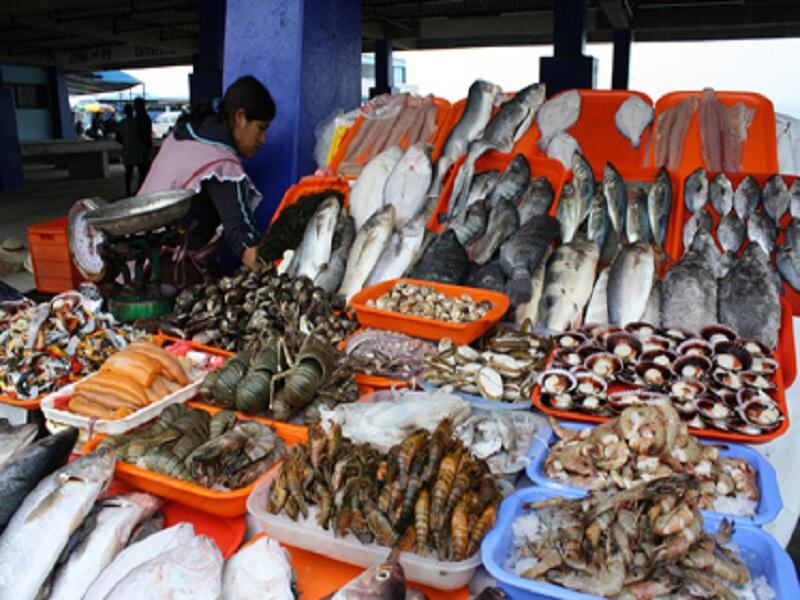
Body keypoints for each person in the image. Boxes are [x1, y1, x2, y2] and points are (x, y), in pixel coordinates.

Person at [138, 75, 274, 282]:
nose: (262, 140)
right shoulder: (220, 162)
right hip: (168, 273)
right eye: (261, 128)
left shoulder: (185, 134)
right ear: (240, 117)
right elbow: (241, 234)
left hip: (139, 262)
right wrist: (277, 276)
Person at [116, 104, 147, 197]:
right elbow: (142, 136)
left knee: (128, 172)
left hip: (127, 149)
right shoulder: (136, 122)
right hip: (137, 148)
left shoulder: (121, 123)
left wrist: (125, 141)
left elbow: (118, 138)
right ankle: (139, 188)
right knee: (141, 171)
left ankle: (128, 190)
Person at [133, 97, 153, 179]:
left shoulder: (142, 117)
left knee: (143, 169)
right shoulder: (143, 116)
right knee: (143, 169)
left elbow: (143, 132)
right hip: (143, 145)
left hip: (142, 146)